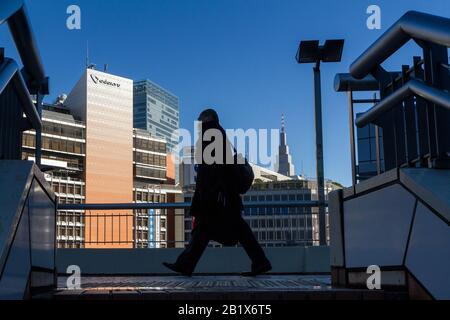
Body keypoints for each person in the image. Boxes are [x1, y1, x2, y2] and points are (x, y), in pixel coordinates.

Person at [163, 109, 272, 277]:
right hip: (222, 196)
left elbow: (212, 170)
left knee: (211, 229)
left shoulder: (211, 135)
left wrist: (208, 193)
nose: (198, 123)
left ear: (208, 119)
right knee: (209, 230)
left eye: (200, 119)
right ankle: (260, 262)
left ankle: (261, 262)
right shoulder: (218, 135)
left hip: (216, 197)